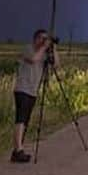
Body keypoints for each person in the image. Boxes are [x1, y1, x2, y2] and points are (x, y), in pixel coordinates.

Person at [11, 29, 54, 163]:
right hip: (22, 89)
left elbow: (56, 64)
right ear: (35, 38)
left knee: (26, 121)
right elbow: (34, 59)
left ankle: (18, 149)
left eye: (45, 39)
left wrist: (53, 49)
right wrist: (44, 48)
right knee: (21, 119)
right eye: (41, 38)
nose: (43, 41)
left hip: (33, 91)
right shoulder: (28, 49)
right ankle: (18, 151)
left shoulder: (43, 53)